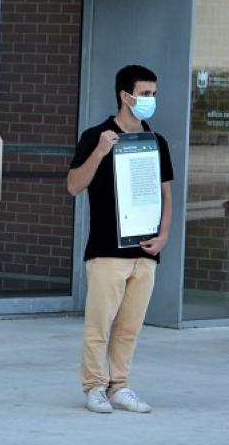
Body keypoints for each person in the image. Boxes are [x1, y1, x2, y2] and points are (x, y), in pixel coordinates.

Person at [67, 65, 173, 415]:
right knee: (99, 325)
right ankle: (94, 386)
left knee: (129, 327)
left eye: (154, 94)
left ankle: (120, 385)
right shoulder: (95, 135)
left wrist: (163, 236)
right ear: (125, 96)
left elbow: (165, 194)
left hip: (144, 250)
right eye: (144, 94)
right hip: (106, 250)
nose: (150, 100)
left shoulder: (156, 141)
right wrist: (99, 151)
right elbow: (73, 186)